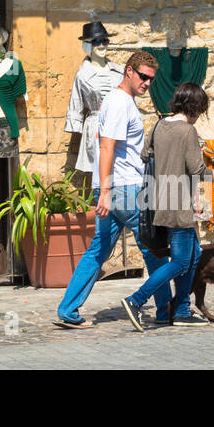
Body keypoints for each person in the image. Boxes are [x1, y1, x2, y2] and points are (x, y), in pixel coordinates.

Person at [56, 49, 171, 328]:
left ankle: (68, 310)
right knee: (154, 249)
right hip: (125, 190)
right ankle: (166, 309)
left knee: (98, 250)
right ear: (129, 71)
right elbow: (107, 146)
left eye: (151, 79)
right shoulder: (120, 102)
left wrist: (103, 190)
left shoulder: (119, 101)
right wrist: (106, 191)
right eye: (143, 76)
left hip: (113, 189)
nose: (147, 83)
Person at [119, 82, 214, 331]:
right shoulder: (187, 131)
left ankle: (182, 310)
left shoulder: (157, 126)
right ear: (195, 107)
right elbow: (197, 170)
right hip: (178, 205)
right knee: (182, 262)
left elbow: (144, 156)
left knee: (194, 255)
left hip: (156, 203)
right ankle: (136, 300)